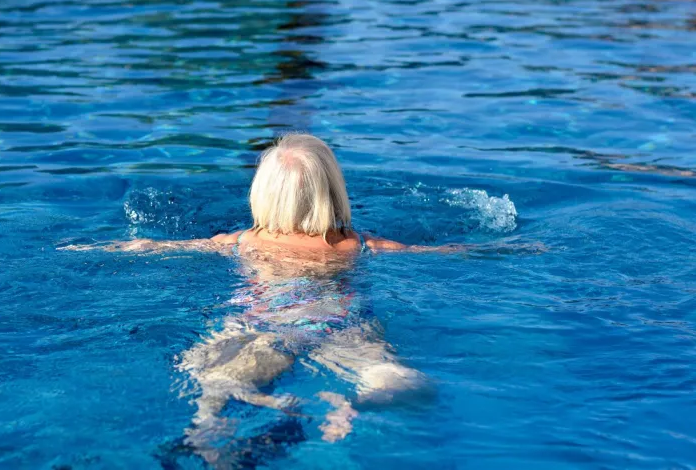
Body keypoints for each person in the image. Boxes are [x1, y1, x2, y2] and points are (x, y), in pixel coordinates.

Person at [59, 134, 519, 462]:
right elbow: (446, 254)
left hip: (262, 323)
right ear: (333, 192)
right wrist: (510, 248)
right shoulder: (358, 245)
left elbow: (156, 248)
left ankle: (207, 428)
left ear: (262, 195)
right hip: (339, 324)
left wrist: (103, 247)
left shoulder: (242, 241)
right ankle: (355, 402)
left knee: (210, 379)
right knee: (401, 378)